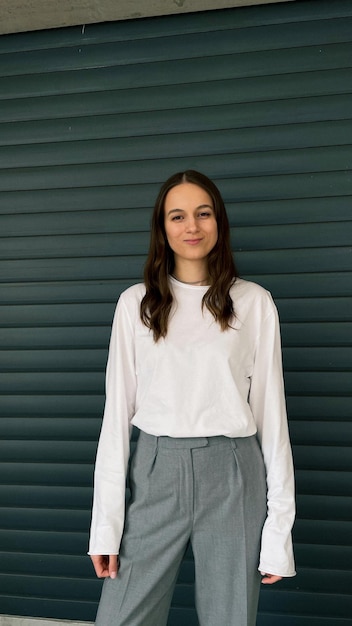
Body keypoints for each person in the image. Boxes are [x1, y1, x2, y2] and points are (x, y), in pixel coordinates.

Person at [88, 170, 296, 626]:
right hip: (156, 471)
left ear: (218, 222)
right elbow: (115, 419)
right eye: (177, 216)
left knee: (230, 618)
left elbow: (273, 419)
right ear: (162, 229)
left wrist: (279, 534)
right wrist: (105, 527)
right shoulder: (136, 305)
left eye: (203, 214)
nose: (192, 227)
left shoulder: (254, 303)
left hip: (233, 473)